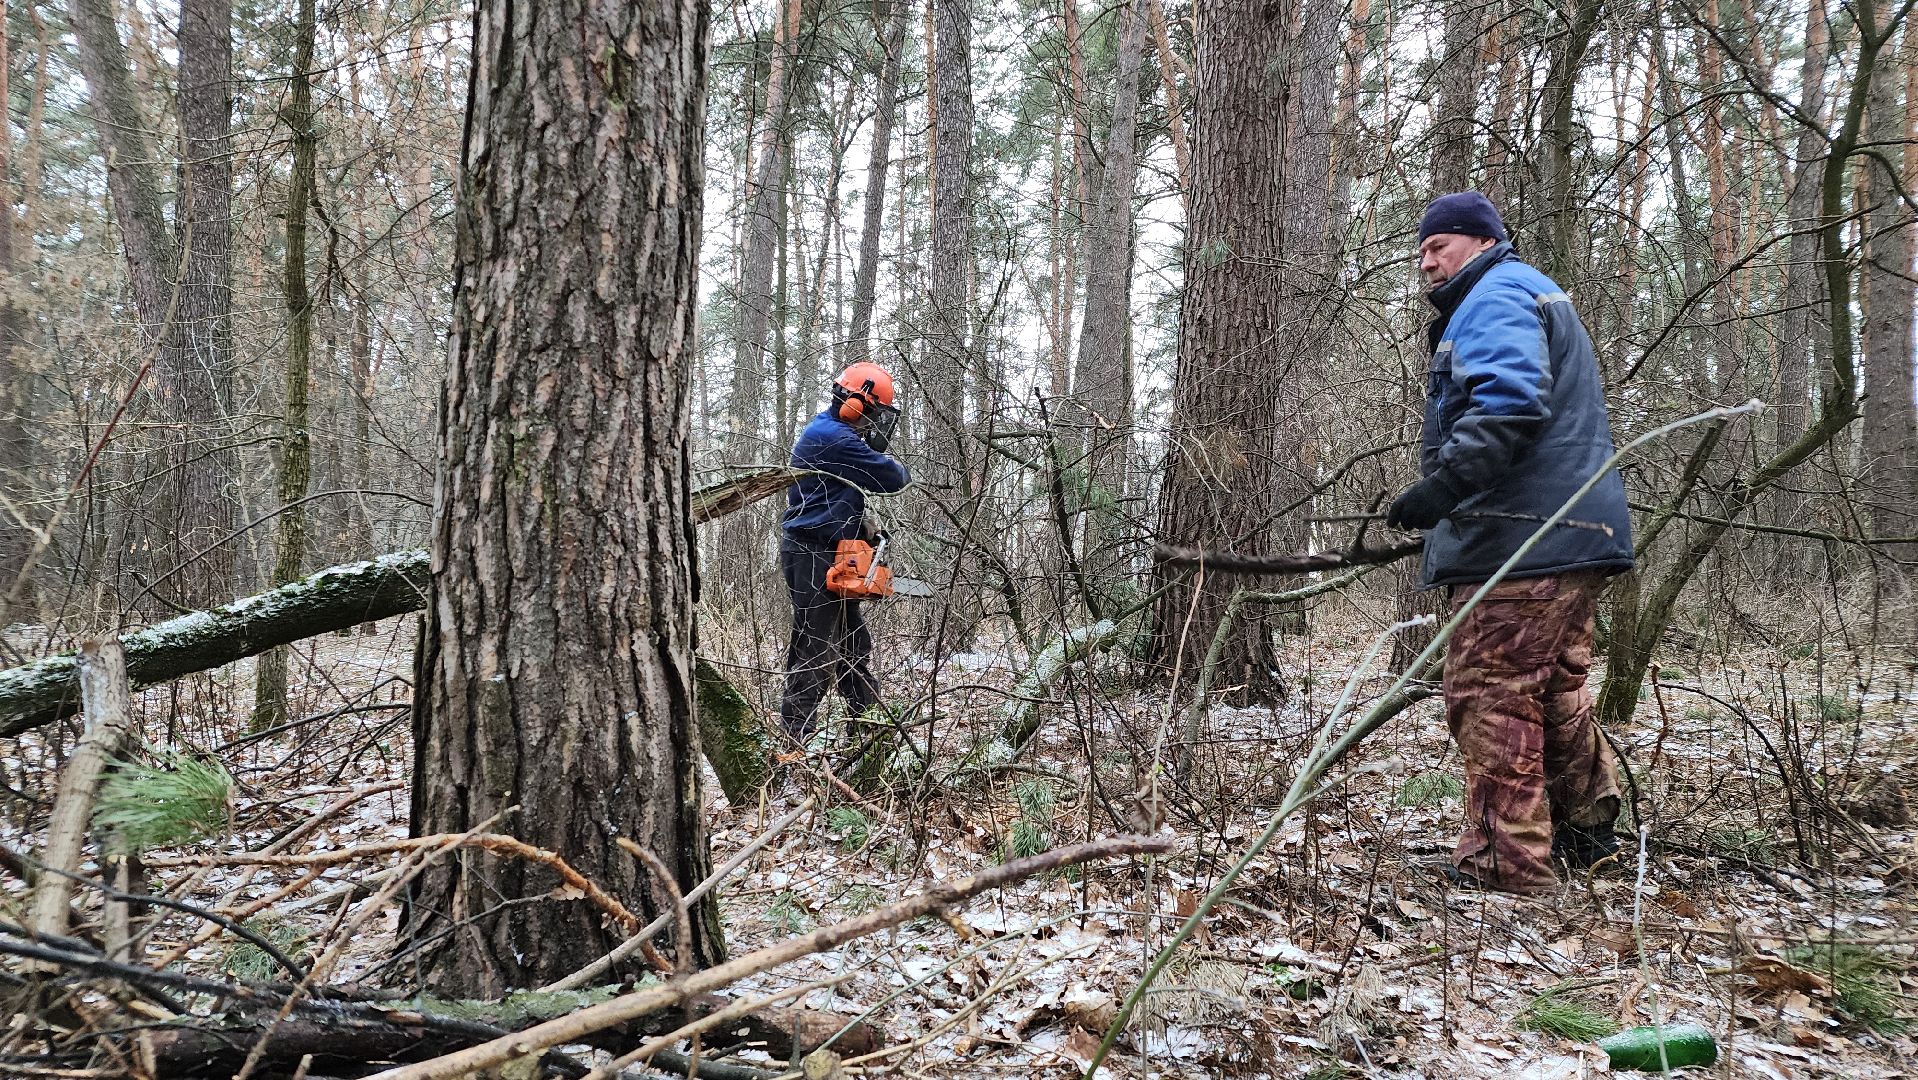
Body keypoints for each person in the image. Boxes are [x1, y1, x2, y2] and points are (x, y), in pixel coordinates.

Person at [1386, 192, 1635, 894]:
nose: (1427, 262)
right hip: (1572, 534)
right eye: (1421, 250)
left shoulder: (1494, 296)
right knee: (1553, 691)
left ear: (1482, 241)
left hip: (1523, 538)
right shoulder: (1531, 292)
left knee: (1490, 690)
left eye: (1438, 246)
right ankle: (1589, 838)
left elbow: (1510, 403)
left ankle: (1507, 866)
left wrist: (1444, 488)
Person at [779, 362, 911, 741]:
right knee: (815, 653)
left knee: (854, 647)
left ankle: (869, 735)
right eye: (872, 414)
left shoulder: (831, 433)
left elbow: (831, 494)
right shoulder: (834, 437)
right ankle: (792, 746)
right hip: (811, 554)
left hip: (827, 551)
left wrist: (859, 525)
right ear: (855, 404)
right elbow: (892, 478)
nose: (872, 424)